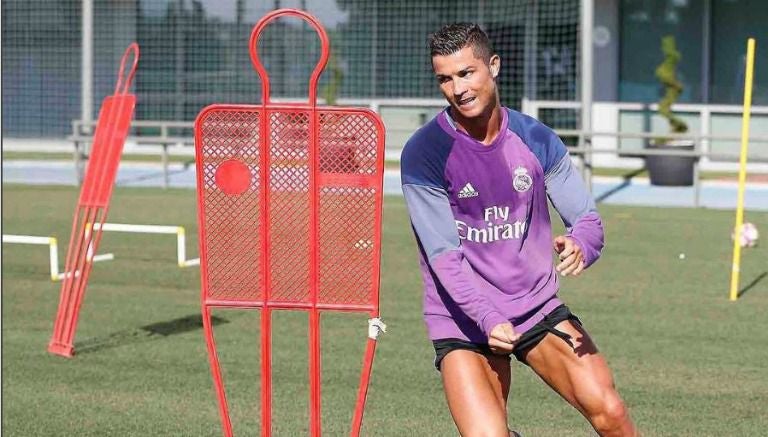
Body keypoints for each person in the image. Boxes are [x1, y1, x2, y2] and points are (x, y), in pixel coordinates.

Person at [400, 23, 638, 436]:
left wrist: (581, 243)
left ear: (493, 66)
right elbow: (444, 258)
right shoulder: (424, 153)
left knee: (611, 411)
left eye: (467, 72)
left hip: (535, 308)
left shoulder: (536, 139)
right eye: (446, 78)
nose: (458, 88)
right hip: (463, 319)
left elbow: (587, 220)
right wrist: (488, 318)